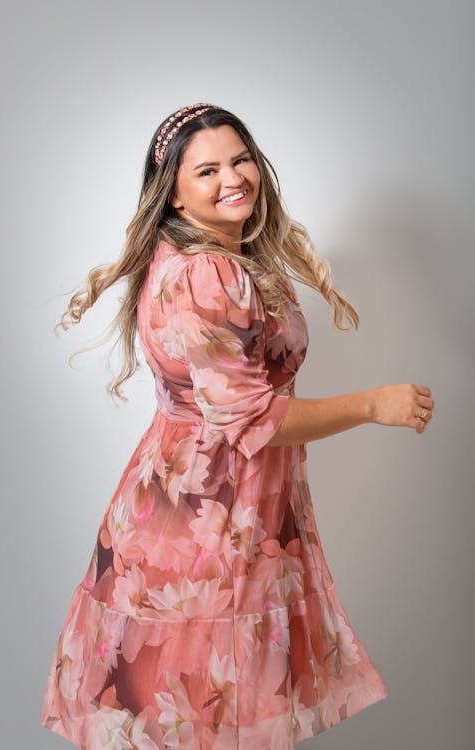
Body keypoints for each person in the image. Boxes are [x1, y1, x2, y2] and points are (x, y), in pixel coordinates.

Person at [40, 102, 434, 750]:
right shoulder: (206, 272)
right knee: (211, 724)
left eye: (241, 158)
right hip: (210, 529)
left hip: (189, 515)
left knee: (199, 726)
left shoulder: (195, 255)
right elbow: (249, 417)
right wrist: (373, 405)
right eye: (208, 170)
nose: (234, 178)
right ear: (173, 189)